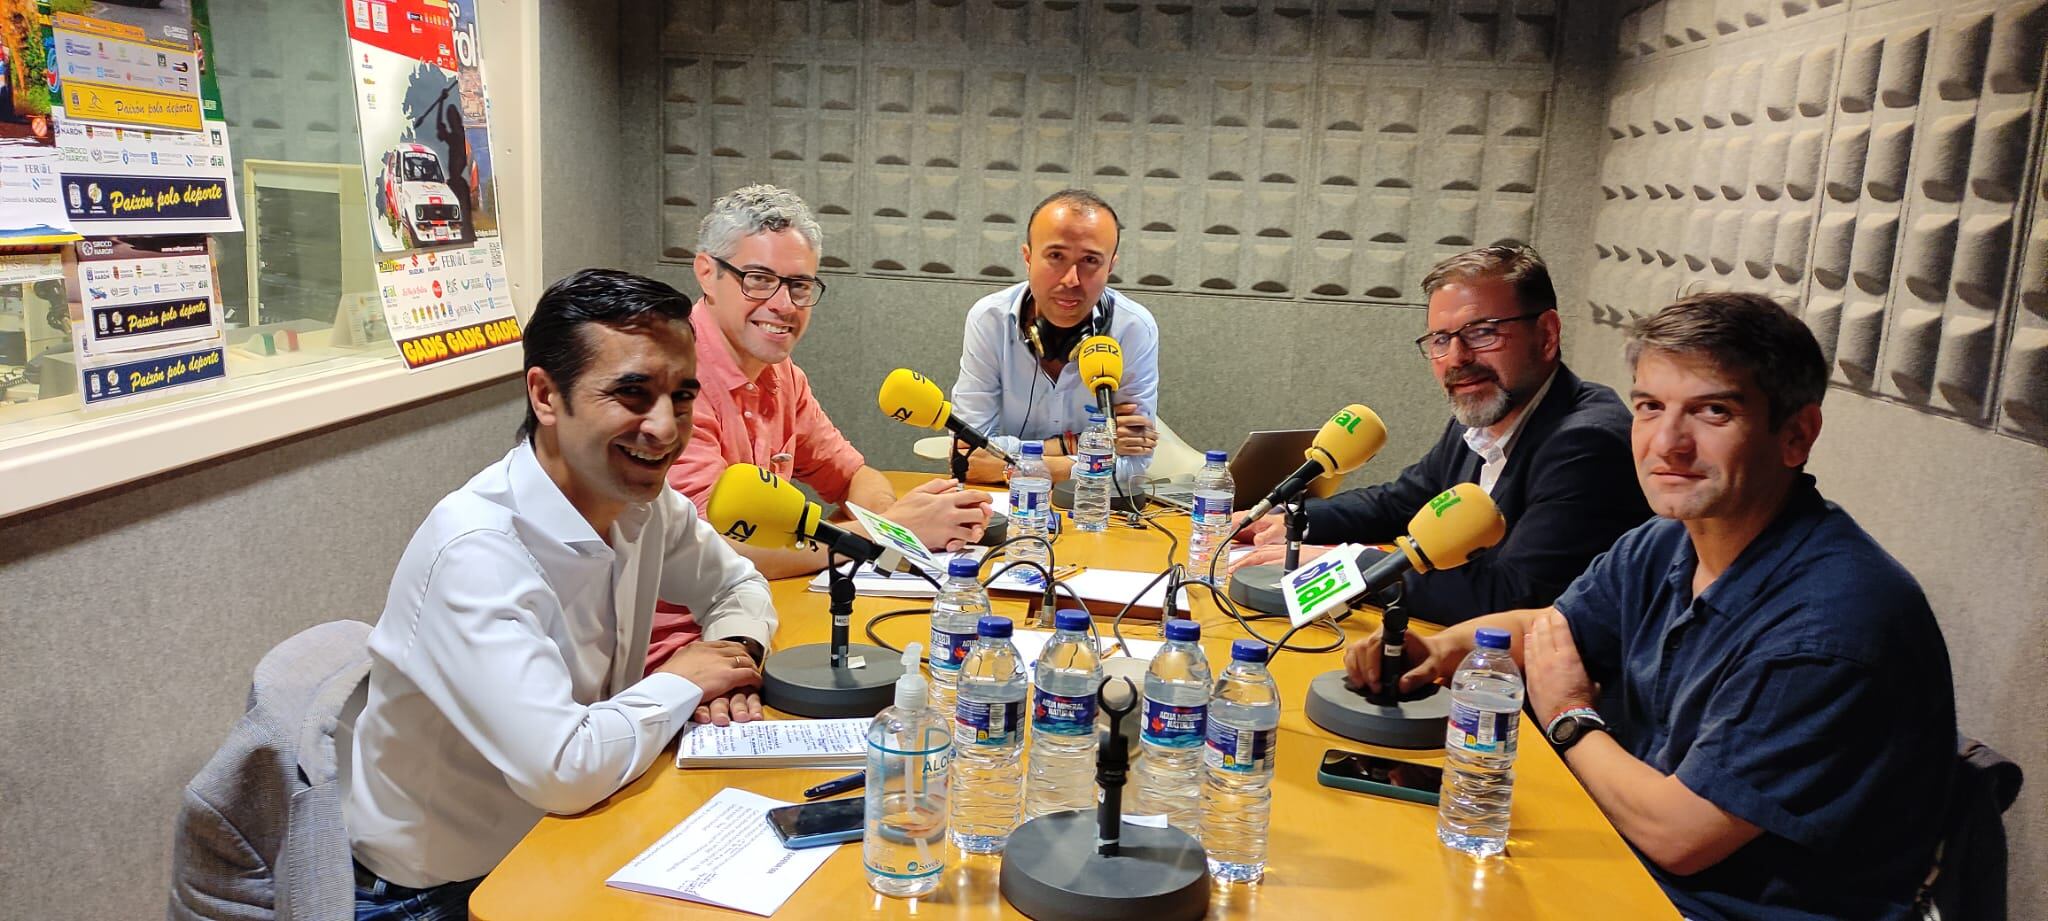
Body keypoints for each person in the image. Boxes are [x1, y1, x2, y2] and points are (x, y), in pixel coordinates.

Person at [1353, 292, 1957, 920]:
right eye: (1650, 407)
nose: (1667, 444)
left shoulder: (1834, 623)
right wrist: (1445, 649)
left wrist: (1567, 717)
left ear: (1796, 435)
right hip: (1627, 869)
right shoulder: (1669, 538)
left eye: (1712, 412)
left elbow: (1679, 836)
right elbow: (1553, 627)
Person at [343, 269, 776, 918]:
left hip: (568, 833)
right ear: (546, 395)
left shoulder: (640, 503)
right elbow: (564, 766)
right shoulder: (476, 552)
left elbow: (736, 582)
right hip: (437, 894)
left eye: (682, 396)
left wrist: (734, 657)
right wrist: (686, 678)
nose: (665, 427)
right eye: (632, 393)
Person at [652, 184, 990, 661]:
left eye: (799, 285)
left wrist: (884, 523)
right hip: (676, 648)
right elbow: (718, 554)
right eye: (758, 279)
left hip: (754, 613)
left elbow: (854, 476)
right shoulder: (670, 381)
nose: (784, 305)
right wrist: (890, 531)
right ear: (707, 273)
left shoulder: (783, 375)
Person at [1232, 245, 1649, 624]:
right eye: (1441, 339)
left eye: (1482, 332)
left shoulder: (1588, 444)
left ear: (1546, 335)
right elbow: (1402, 501)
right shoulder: (1483, 412)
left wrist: (1345, 568)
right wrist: (1291, 522)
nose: (1457, 358)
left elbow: (1510, 596)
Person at [951, 188, 1160, 487]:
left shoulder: (1134, 329)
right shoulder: (989, 320)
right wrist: (1075, 446)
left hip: (1091, 512)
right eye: (1056, 256)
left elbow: (1132, 468)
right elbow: (967, 456)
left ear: (1110, 266)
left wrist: (1009, 465)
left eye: (1090, 260)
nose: (1071, 279)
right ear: (1028, 258)